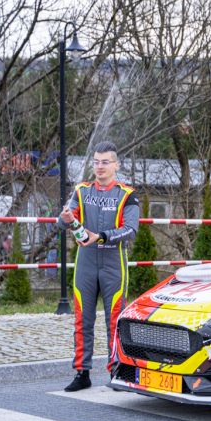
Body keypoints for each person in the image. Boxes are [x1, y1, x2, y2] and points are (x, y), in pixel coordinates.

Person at [59, 141, 139, 392]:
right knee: (82, 319)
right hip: (86, 263)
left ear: (116, 165)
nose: (100, 167)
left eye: (105, 162)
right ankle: (82, 372)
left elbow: (131, 230)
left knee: (115, 321)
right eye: (96, 162)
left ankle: (116, 371)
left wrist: (101, 236)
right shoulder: (81, 191)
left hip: (114, 264)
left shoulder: (127, 195)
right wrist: (66, 219)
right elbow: (63, 223)